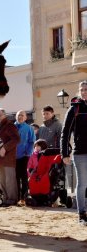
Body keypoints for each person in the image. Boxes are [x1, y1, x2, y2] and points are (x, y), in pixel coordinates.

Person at [61, 80, 87, 225]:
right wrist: (64, 153)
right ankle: (81, 214)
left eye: (86, 89)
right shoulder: (75, 108)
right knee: (82, 184)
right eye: (81, 89)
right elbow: (65, 133)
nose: (84, 92)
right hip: (80, 153)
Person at [0, 108, 20, 207]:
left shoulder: (9, 125)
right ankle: (5, 199)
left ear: (4, 115)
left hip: (8, 158)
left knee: (9, 180)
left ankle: (12, 200)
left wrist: (5, 148)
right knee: (2, 181)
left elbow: (16, 139)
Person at [14, 110, 36, 203]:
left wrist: (28, 152)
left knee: (23, 177)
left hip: (24, 155)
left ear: (26, 117)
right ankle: (17, 197)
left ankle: (24, 197)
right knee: (15, 178)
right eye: (19, 115)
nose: (20, 117)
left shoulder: (29, 128)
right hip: (13, 156)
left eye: (22, 115)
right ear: (16, 117)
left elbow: (32, 141)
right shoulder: (12, 127)